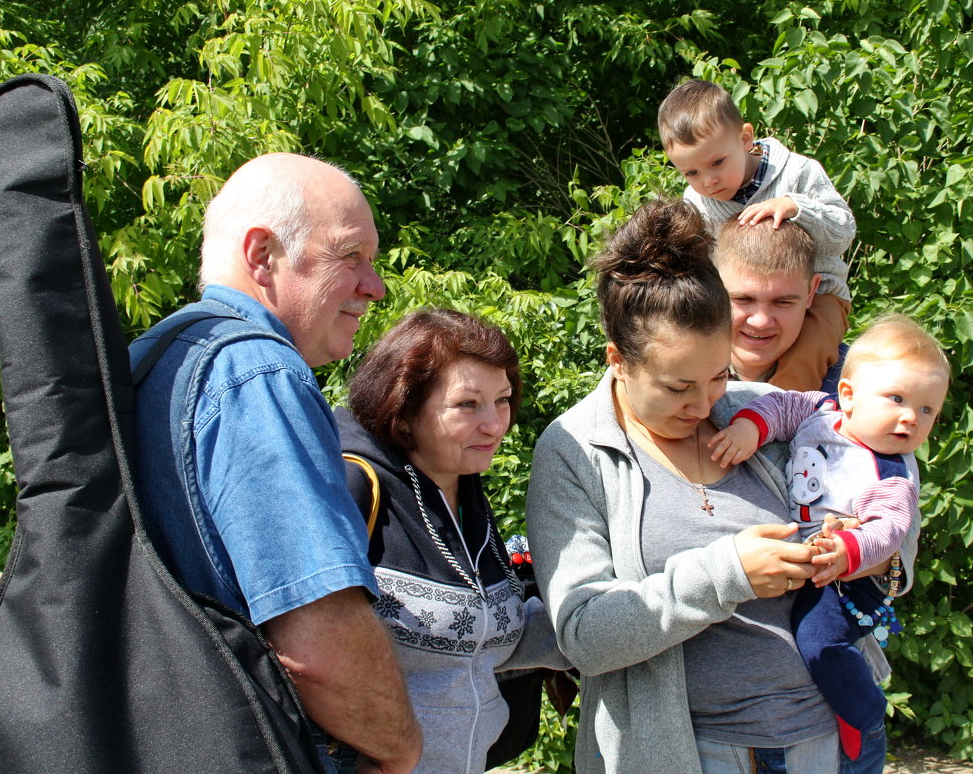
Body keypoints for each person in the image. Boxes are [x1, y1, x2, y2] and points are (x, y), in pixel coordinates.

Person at [526, 199, 913, 774]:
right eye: (680, 386)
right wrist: (727, 572)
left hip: (825, 739)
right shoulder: (575, 451)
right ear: (618, 361)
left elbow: (897, 552)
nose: (705, 403)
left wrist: (861, 553)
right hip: (686, 754)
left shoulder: (760, 414)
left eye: (715, 376)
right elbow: (585, 634)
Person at [129, 153, 421, 774]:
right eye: (351, 256)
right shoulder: (257, 373)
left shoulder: (153, 359)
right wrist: (399, 747)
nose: (376, 286)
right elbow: (316, 632)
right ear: (262, 256)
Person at [335, 308, 568, 774]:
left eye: (502, 400)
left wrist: (607, 613)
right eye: (467, 405)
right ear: (404, 410)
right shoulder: (353, 486)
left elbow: (483, 640)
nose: (495, 425)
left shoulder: (464, 490)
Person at [709, 314, 948, 761]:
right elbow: (779, 408)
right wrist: (749, 428)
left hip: (845, 580)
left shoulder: (892, 472)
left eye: (927, 409)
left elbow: (890, 528)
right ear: (848, 396)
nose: (910, 418)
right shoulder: (821, 412)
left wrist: (848, 551)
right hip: (812, 560)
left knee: (819, 642)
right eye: (896, 399)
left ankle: (862, 711)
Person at [659, 79, 854, 392]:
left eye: (717, 162)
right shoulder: (696, 203)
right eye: (691, 172)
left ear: (745, 138)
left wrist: (797, 207)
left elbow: (843, 230)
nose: (709, 180)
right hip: (735, 304)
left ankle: (778, 417)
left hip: (821, 294)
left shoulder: (798, 173)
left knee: (808, 357)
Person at [713, 217, 847, 395]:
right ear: (713, 286)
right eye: (743, 299)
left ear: (811, 292)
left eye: (783, 302)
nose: (761, 322)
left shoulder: (861, 388)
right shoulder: (672, 372)